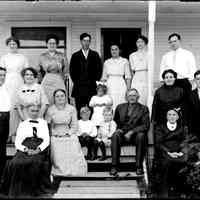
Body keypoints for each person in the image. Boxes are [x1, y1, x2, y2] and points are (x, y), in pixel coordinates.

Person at [0, 104, 51, 198]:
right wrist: (25, 149)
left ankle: (30, 192)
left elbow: (46, 140)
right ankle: (17, 192)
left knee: (34, 162)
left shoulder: (43, 123)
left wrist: (38, 149)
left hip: (38, 145)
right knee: (15, 163)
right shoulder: (23, 124)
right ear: (27, 111)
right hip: (25, 145)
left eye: (36, 111)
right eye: (32, 111)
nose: (34, 113)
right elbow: (18, 140)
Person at [45, 89, 87, 177]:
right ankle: (60, 170)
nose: (60, 98)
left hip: (68, 133)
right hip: (55, 134)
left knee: (73, 141)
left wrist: (68, 133)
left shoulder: (71, 109)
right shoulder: (50, 110)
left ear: (65, 97)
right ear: (54, 98)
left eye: (62, 96)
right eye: (57, 96)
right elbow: (48, 126)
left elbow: (75, 125)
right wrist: (54, 133)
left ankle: (74, 170)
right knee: (56, 144)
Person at [110, 88, 150, 176]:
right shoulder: (120, 107)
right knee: (116, 135)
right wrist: (118, 129)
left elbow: (145, 125)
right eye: (130, 95)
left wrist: (132, 132)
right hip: (123, 134)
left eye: (134, 95)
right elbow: (115, 121)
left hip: (136, 135)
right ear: (126, 97)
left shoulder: (143, 108)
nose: (132, 97)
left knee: (141, 136)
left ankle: (138, 166)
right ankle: (114, 166)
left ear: (138, 97)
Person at [0, 36, 29, 140]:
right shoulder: (4, 57)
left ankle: (18, 133)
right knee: (9, 107)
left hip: (19, 82)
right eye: (10, 44)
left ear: (18, 45)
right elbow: (2, 71)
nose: (13, 46)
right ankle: (8, 133)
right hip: (7, 83)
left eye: (14, 44)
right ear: (8, 45)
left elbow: (26, 71)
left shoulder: (22, 57)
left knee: (18, 107)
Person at [154, 109, 187, 198]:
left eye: (174, 115)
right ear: (166, 116)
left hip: (179, 152)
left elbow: (185, 141)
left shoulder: (182, 127)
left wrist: (182, 152)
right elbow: (158, 143)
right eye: (169, 115)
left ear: (177, 117)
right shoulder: (160, 127)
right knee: (166, 163)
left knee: (183, 163)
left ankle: (179, 191)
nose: (171, 117)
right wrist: (168, 152)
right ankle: (164, 193)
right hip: (164, 152)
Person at [69, 33, 102, 118]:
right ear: (81, 41)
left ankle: (91, 128)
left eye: (88, 41)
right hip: (79, 87)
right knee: (80, 109)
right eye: (84, 41)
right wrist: (78, 82)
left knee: (92, 109)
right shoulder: (75, 55)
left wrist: (94, 81)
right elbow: (72, 71)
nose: (86, 43)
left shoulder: (95, 54)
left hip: (91, 87)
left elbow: (99, 70)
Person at [160, 33, 196, 97]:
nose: (173, 43)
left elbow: (193, 69)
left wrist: (191, 82)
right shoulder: (166, 56)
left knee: (184, 102)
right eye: (170, 42)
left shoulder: (188, 54)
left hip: (183, 81)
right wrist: (162, 81)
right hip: (169, 82)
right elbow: (162, 69)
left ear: (179, 41)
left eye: (175, 41)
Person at [38, 34, 69, 105]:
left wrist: (62, 78)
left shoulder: (62, 55)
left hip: (58, 79)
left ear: (57, 44)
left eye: (54, 43)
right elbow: (39, 71)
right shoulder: (42, 56)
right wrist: (41, 81)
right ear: (47, 44)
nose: (52, 45)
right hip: (46, 80)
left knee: (59, 98)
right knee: (46, 100)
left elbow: (66, 70)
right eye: (50, 43)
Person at [101, 44, 131, 111]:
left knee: (121, 101)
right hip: (110, 84)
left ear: (119, 50)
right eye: (112, 49)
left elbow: (128, 77)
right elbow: (103, 78)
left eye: (116, 49)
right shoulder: (107, 62)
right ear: (110, 51)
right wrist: (102, 90)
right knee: (110, 102)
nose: (114, 51)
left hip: (120, 83)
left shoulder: (124, 61)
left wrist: (128, 90)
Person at [129, 35, 148, 105]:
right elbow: (132, 70)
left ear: (145, 43)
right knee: (136, 94)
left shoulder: (149, 54)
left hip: (146, 75)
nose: (140, 43)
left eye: (142, 42)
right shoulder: (132, 55)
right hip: (136, 76)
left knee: (145, 95)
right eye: (138, 42)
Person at [0, 67, 11, 180]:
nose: (2, 77)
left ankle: (2, 175)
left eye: (3, 75)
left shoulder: (5, 88)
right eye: (0, 75)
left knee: (3, 147)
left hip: (5, 117)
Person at [188, 70, 200, 141]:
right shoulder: (190, 95)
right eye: (198, 79)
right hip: (195, 131)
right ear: (195, 80)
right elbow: (189, 114)